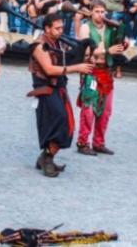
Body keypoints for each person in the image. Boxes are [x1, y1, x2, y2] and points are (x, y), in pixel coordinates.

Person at [28, 13, 93, 177]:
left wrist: (85, 48)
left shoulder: (58, 43)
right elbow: (49, 69)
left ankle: (45, 158)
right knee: (57, 122)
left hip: (59, 88)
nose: (60, 31)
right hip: (45, 89)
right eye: (56, 28)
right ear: (47, 28)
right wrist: (76, 68)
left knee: (66, 123)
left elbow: (67, 60)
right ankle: (47, 159)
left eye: (62, 28)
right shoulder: (39, 46)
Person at [75, 0, 125, 156]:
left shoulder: (110, 28)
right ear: (91, 12)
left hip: (107, 72)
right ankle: (83, 142)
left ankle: (98, 143)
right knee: (89, 110)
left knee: (105, 111)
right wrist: (107, 51)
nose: (100, 14)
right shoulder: (85, 27)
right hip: (91, 71)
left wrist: (123, 43)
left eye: (103, 12)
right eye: (97, 11)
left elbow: (119, 47)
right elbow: (85, 52)